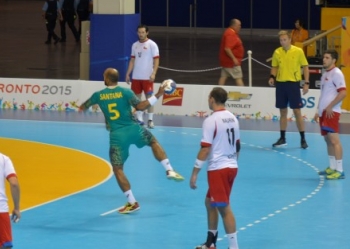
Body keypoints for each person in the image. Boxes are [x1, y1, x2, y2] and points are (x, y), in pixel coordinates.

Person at [79, 68, 184, 214]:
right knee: (153, 142)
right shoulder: (125, 92)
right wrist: (159, 93)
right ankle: (169, 170)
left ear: (107, 79)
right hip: (134, 129)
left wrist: (88, 107)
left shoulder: (99, 95)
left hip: (117, 136)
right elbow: (140, 106)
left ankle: (132, 202)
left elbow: (83, 107)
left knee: (118, 169)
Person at [190, 87, 240, 249]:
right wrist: (232, 163)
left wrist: (195, 173)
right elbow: (237, 145)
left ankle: (234, 247)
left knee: (224, 208)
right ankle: (211, 242)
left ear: (212, 99)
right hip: (231, 166)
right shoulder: (233, 118)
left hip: (218, 169)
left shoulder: (211, 120)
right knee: (209, 202)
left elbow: (205, 149)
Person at [268, 30, 310, 149]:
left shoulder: (298, 51)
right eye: (281, 40)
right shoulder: (277, 52)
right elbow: (274, 67)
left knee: (297, 111)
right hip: (281, 85)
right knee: (282, 112)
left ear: (290, 39)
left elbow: (305, 67)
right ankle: (282, 138)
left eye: (284, 39)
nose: (282, 42)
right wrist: (272, 77)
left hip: (293, 84)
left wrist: (306, 83)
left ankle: (303, 139)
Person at [314, 50, 346, 180]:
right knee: (327, 140)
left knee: (334, 140)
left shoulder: (337, 73)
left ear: (333, 60)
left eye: (327, 58)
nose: (324, 59)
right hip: (324, 113)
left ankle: (340, 170)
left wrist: (330, 106)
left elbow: (343, 93)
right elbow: (323, 94)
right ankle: (332, 167)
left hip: (331, 113)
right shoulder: (325, 74)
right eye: (323, 57)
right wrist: (318, 110)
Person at [125, 24, 160, 128]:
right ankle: (139, 119)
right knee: (137, 100)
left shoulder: (152, 44)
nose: (141, 34)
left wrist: (154, 73)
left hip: (147, 77)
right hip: (136, 77)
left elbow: (156, 60)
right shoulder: (134, 45)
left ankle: (150, 120)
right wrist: (128, 73)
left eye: (143, 32)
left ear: (147, 32)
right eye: (139, 32)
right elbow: (132, 60)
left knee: (149, 99)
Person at [218, 18, 244, 86]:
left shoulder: (229, 32)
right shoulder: (231, 34)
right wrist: (234, 58)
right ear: (234, 25)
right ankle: (243, 92)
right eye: (239, 25)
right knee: (238, 77)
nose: (240, 27)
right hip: (232, 63)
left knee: (223, 76)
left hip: (226, 61)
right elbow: (227, 48)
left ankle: (218, 91)